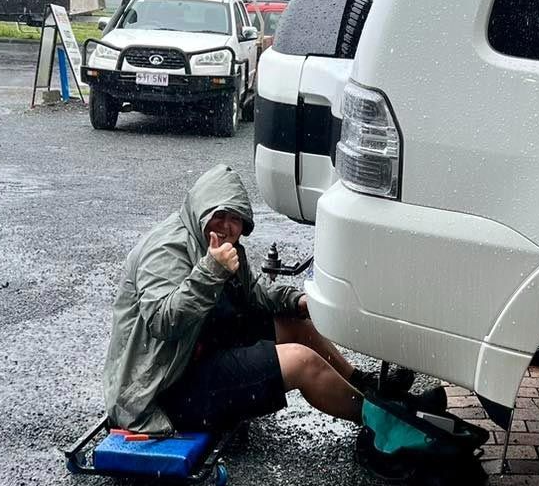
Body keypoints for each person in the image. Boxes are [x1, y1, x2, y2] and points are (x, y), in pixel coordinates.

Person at [104, 164, 373, 434]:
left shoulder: (218, 244)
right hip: (165, 388)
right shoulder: (166, 250)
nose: (227, 226)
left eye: (236, 218)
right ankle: (380, 424)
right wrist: (211, 271)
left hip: (199, 347)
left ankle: (364, 386)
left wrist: (299, 302)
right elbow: (164, 322)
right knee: (301, 362)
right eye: (219, 215)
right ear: (202, 211)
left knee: (296, 326)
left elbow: (254, 296)